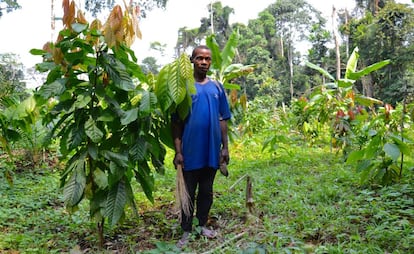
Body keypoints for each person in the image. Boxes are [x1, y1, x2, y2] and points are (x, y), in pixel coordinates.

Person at [171, 45, 231, 248]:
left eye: (207, 59)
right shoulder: (184, 89)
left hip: (211, 151)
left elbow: (223, 118)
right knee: (188, 192)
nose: (204, 62)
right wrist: (178, 152)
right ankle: (186, 231)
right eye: (199, 58)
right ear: (192, 60)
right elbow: (176, 123)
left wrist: (225, 147)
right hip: (190, 151)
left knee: (206, 190)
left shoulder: (217, 87)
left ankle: (202, 224)